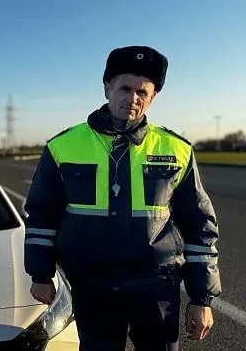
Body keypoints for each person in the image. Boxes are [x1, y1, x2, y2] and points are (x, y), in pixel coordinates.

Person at [23, 46, 221, 351]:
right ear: (107, 89)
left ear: (153, 97)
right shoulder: (62, 146)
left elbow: (200, 225)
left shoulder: (177, 149)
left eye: (143, 92)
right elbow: (41, 215)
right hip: (93, 285)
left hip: (156, 285)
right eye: (125, 88)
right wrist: (41, 274)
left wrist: (202, 298)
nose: (133, 98)